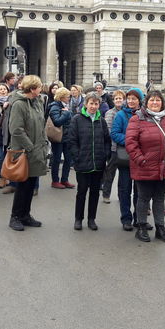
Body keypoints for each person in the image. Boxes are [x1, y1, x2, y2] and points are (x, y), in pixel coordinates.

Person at [125, 90, 165, 243]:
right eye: (152, 100)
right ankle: (142, 227)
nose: (155, 103)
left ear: (162, 103)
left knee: (159, 199)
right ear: (146, 102)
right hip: (144, 167)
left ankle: (160, 228)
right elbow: (131, 143)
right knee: (143, 198)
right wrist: (141, 160)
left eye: (158, 100)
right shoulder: (137, 119)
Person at [7, 75, 48, 231]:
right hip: (25, 151)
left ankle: (25, 215)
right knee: (23, 185)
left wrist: (43, 144)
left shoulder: (37, 102)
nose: (41, 88)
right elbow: (16, 130)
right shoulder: (19, 104)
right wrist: (30, 147)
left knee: (31, 185)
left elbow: (41, 124)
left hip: (37, 150)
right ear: (32, 88)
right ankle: (15, 216)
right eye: (38, 86)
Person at [67, 92, 111, 230]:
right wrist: (77, 157)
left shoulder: (101, 121)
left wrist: (105, 155)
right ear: (86, 104)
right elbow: (72, 140)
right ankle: (78, 219)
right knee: (81, 192)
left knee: (94, 193)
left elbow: (106, 140)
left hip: (98, 163)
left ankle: (91, 219)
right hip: (82, 163)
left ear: (99, 105)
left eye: (96, 104)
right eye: (91, 103)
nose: (93, 106)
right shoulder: (77, 119)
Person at [111, 88, 144, 231]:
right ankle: (126, 218)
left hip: (140, 158)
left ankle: (139, 218)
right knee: (125, 189)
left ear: (139, 100)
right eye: (129, 98)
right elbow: (114, 134)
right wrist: (131, 141)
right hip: (125, 157)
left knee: (140, 191)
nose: (130, 101)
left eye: (134, 99)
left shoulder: (145, 115)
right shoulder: (120, 115)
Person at [100, 90, 125, 204]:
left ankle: (121, 195)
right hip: (114, 148)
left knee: (123, 175)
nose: (119, 100)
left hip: (124, 148)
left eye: (120, 98)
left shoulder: (126, 112)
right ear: (114, 100)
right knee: (110, 173)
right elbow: (109, 131)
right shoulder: (110, 113)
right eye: (116, 98)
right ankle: (106, 194)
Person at [48, 87, 75, 189]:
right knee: (57, 159)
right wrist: (66, 113)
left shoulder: (66, 106)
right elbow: (57, 122)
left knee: (68, 159)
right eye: (68, 96)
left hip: (67, 137)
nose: (69, 98)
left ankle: (64, 180)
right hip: (58, 137)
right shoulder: (54, 107)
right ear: (62, 97)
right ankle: (55, 181)